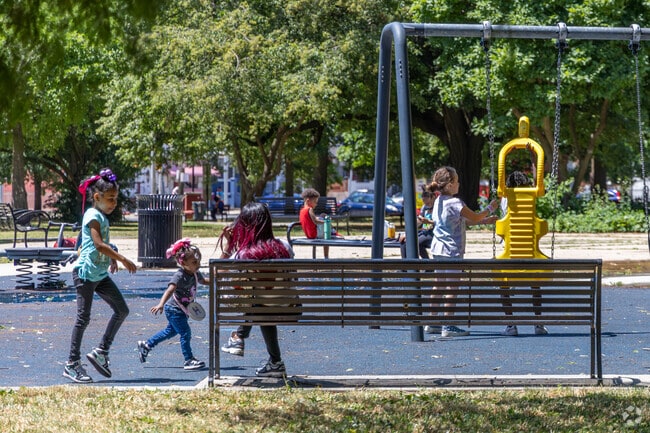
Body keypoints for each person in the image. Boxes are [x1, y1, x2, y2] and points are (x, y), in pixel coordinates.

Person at [63, 168, 137, 383]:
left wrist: (111, 258)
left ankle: (101, 352)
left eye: (115, 199)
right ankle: (72, 364)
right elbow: (98, 244)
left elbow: (103, 245)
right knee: (83, 318)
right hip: (85, 273)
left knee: (121, 310)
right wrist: (122, 258)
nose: (114, 203)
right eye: (110, 199)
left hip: (99, 274)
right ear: (97, 197)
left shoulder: (102, 217)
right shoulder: (92, 215)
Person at [218, 202, 293, 377]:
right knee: (264, 301)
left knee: (257, 299)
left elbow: (218, 274)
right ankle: (275, 362)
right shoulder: (285, 247)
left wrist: (229, 246)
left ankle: (238, 336)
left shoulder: (243, 254)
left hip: (258, 305)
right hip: (288, 305)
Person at [427, 166, 499, 337]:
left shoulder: (439, 201)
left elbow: (463, 221)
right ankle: (448, 325)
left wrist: (485, 222)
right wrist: (490, 208)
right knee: (452, 288)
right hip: (452, 251)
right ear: (450, 184)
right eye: (457, 181)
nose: (459, 184)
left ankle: (431, 322)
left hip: (438, 249)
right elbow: (473, 217)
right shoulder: (455, 202)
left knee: (438, 285)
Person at [137, 238, 208, 370]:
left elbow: (204, 281)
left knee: (170, 332)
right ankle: (188, 359)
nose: (197, 264)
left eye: (198, 260)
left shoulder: (195, 272)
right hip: (174, 309)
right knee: (185, 332)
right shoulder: (179, 275)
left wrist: (218, 279)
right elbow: (170, 290)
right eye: (194, 262)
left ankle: (147, 345)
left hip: (183, 310)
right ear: (183, 262)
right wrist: (161, 304)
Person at [499, 170, 548, 337]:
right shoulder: (531, 197)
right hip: (529, 249)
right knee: (535, 285)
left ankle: (511, 324)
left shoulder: (505, 198)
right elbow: (541, 188)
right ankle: (538, 324)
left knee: (504, 286)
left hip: (509, 249)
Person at [399, 189, 436, 259]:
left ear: (433, 198)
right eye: (424, 203)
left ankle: (426, 266)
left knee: (415, 243)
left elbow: (440, 223)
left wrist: (429, 222)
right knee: (403, 242)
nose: (426, 205)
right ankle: (404, 267)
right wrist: (407, 234)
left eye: (428, 203)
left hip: (432, 233)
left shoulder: (437, 208)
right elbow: (418, 222)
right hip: (424, 232)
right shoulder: (424, 207)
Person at [299, 188, 330, 258]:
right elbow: (315, 221)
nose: (316, 204)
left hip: (308, 234)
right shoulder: (310, 209)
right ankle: (326, 257)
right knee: (325, 219)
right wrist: (326, 222)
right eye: (315, 201)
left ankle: (332, 231)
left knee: (322, 216)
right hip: (314, 234)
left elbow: (310, 220)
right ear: (308, 201)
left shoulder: (302, 210)